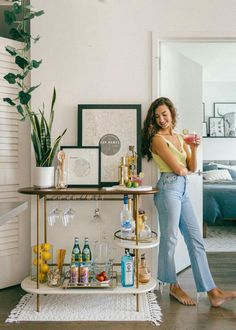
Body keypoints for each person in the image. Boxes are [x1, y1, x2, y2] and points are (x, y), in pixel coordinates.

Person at [141, 97, 236, 307]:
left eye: (164, 114)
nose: (162, 119)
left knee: (196, 240)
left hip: (182, 190)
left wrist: (193, 148)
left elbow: (191, 167)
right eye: (157, 116)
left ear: (172, 113)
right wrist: (185, 169)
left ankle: (213, 292)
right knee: (171, 239)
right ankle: (172, 285)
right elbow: (178, 169)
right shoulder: (157, 139)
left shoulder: (179, 136)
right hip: (168, 189)